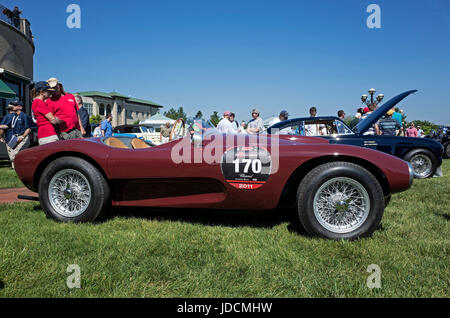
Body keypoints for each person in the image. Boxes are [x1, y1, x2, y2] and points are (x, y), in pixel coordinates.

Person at [0, 100, 32, 168]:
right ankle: (17, 168)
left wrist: (22, 137)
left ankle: (25, 168)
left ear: (20, 107)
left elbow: (28, 129)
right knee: (12, 156)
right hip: (15, 137)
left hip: (22, 137)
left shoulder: (24, 116)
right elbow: (6, 126)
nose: (13, 106)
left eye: (14, 105)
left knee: (15, 155)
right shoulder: (15, 116)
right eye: (13, 105)